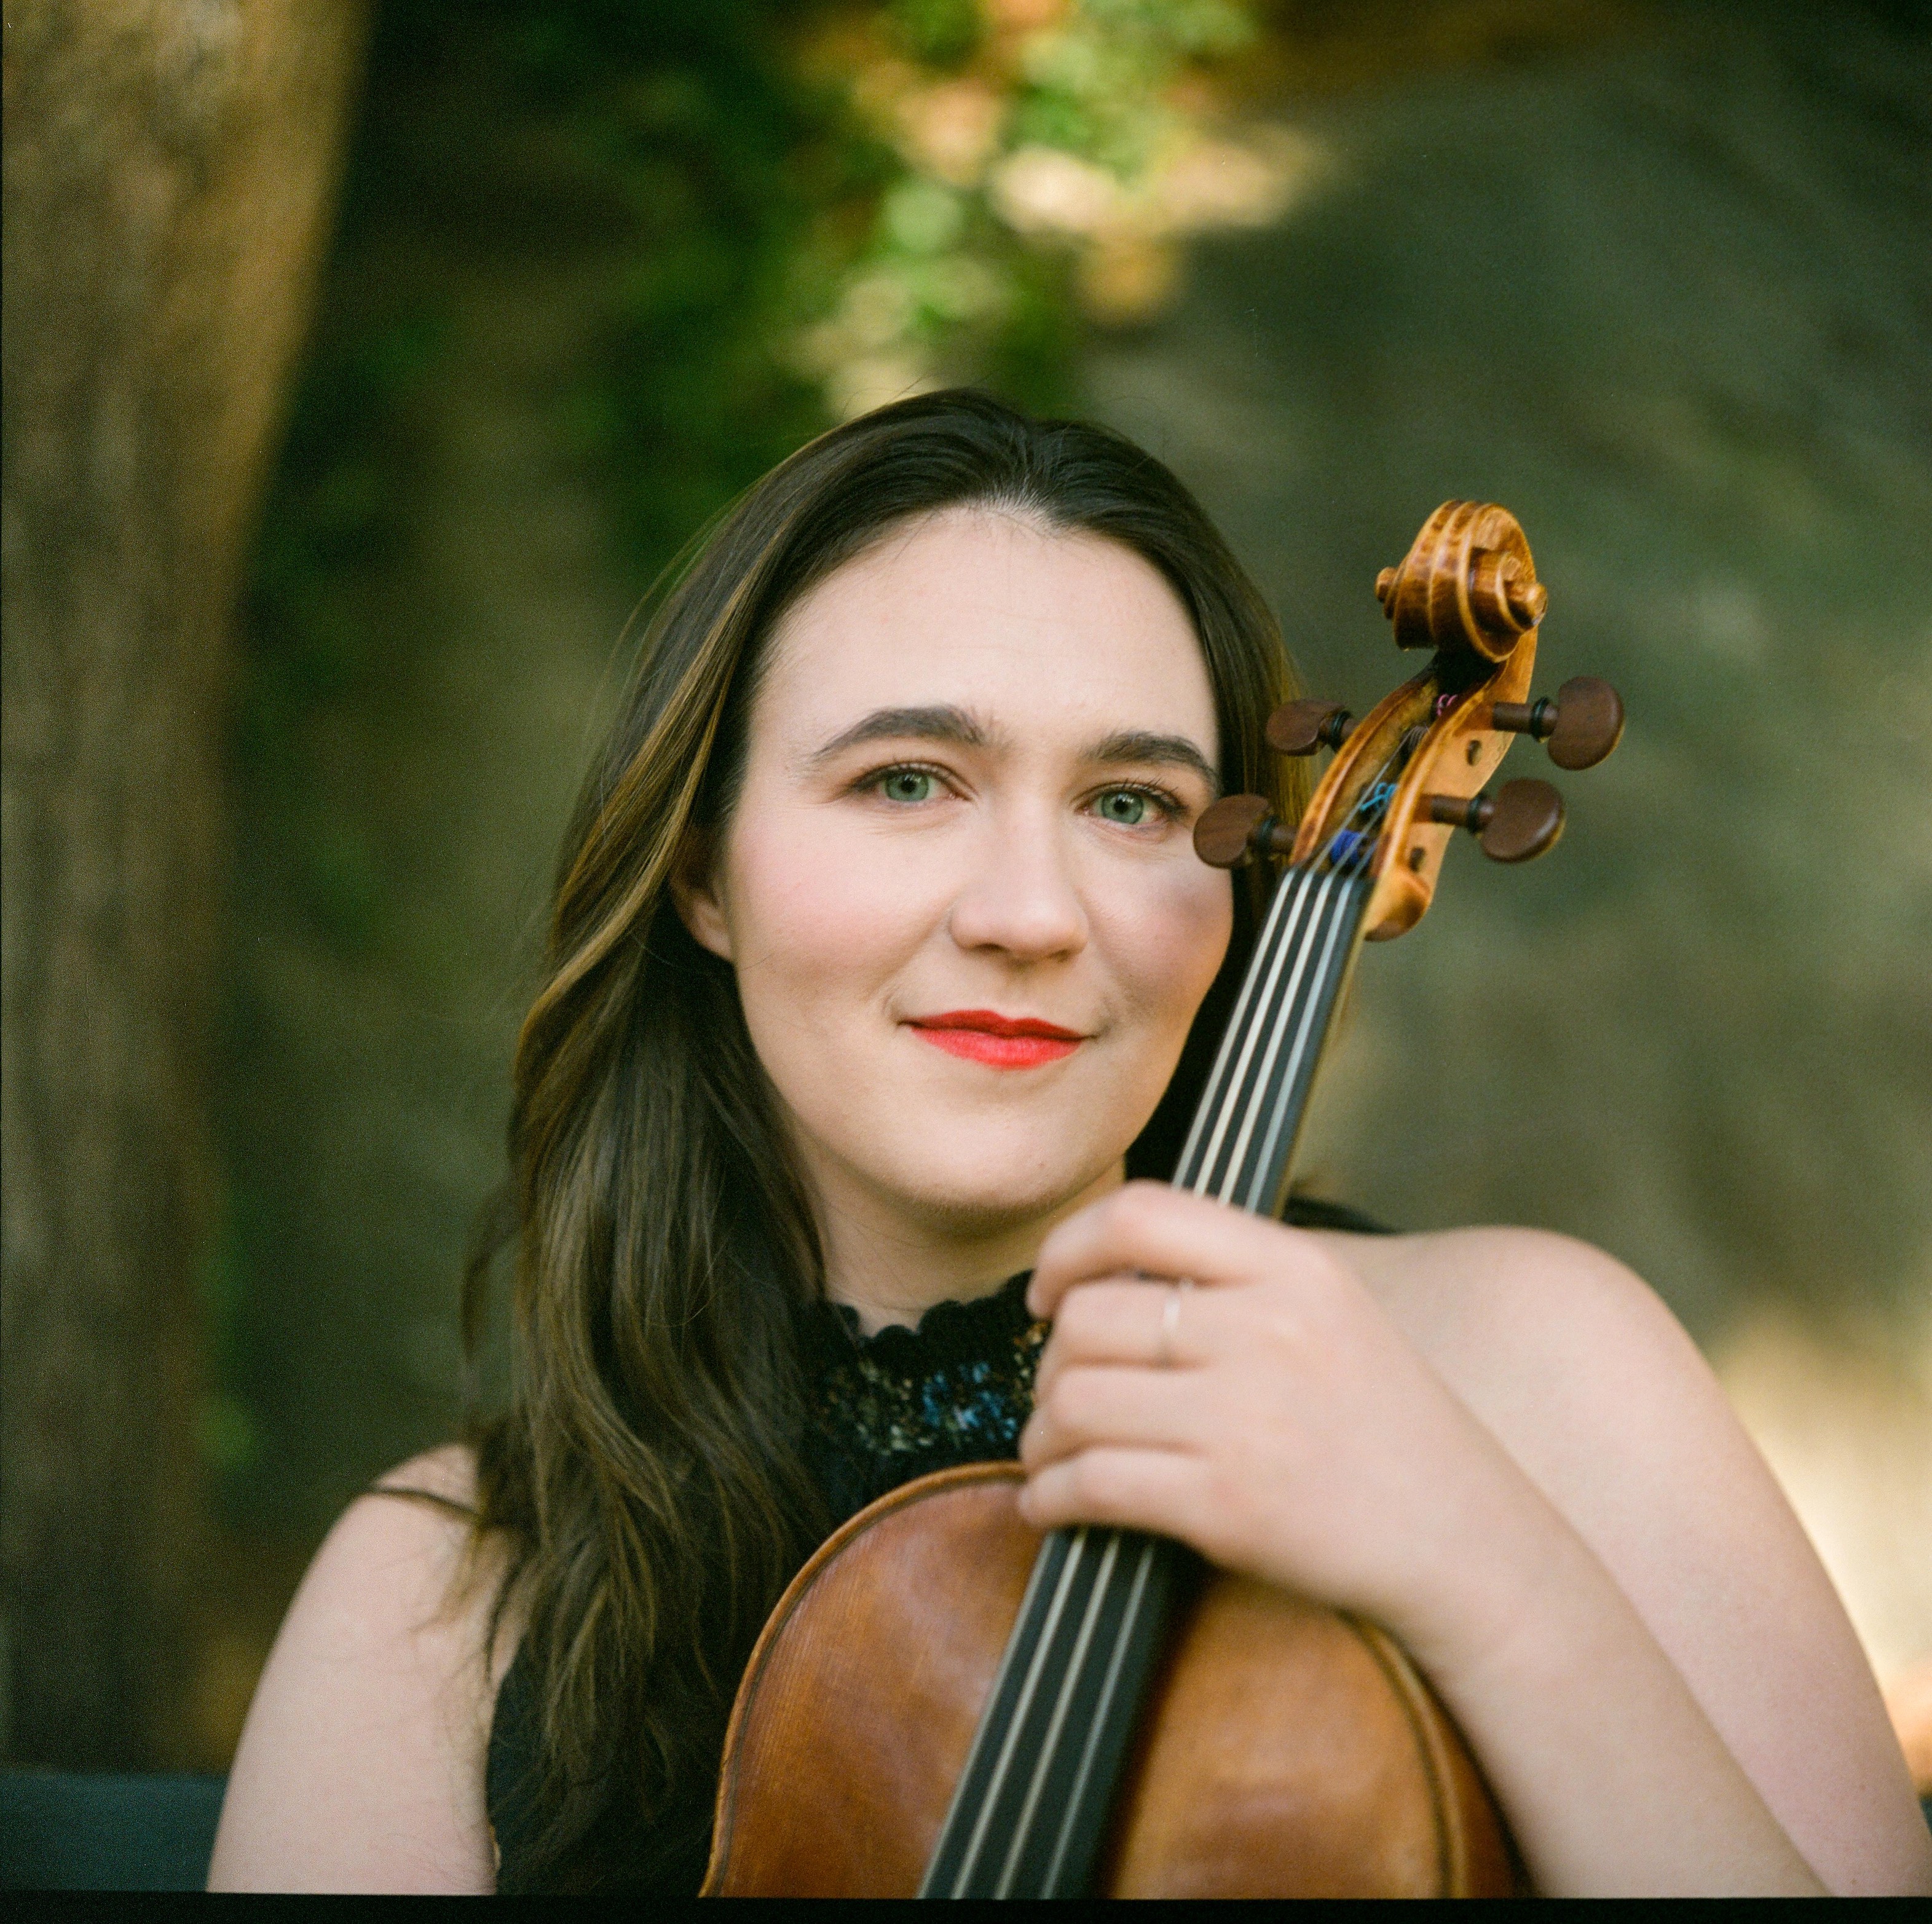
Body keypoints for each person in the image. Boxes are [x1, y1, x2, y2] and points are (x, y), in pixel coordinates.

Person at [207, 391, 1932, 1896]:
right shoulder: (450, 1586)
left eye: (1133, 805)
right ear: (703, 869)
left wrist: (1484, 1564)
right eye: (906, 779)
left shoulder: (1534, 1361)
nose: (1033, 914)